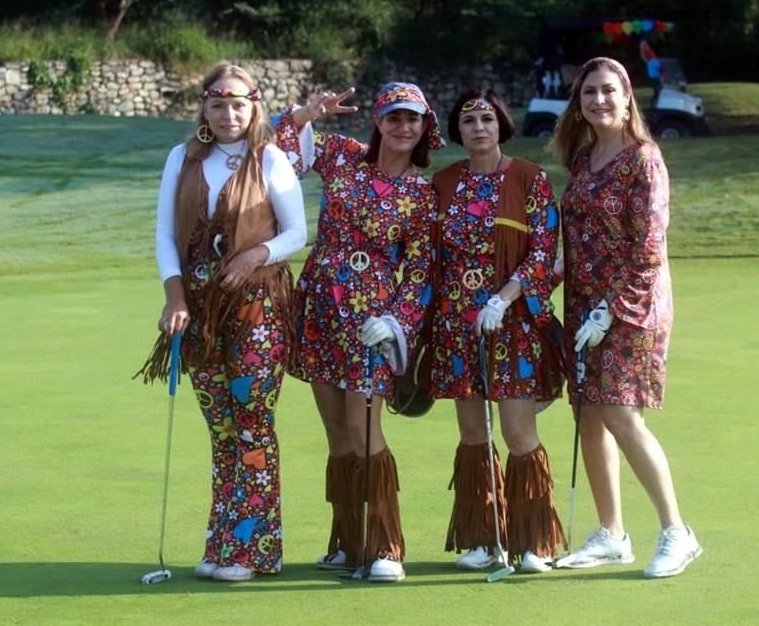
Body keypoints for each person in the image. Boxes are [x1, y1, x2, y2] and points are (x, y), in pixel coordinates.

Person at [138, 64, 306, 582]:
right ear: (204, 109)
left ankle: (256, 550)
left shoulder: (271, 157)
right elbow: (165, 234)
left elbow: (297, 232)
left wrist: (255, 253)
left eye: (238, 104)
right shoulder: (182, 158)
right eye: (218, 104)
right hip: (200, 314)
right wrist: (174, 296)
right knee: (222, 429)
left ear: (254, 106)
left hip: (258, 307)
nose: (229, 114)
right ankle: (224, 543)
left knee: (252, 422)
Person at [273, 82, 444, 583]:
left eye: (412, 119)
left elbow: (420, 273)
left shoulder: (420, 194)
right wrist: (302, 116)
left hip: (372, 324)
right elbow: (284, 163)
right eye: (393, 117)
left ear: (424, 127)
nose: (402, 127)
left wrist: (396, 323)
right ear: (378, 121)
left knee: (364, 428)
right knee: (336, 431)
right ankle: (348, 543)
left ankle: (386, 545)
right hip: (321, 311)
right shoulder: (344, 156)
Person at [551, 57, 702, 578]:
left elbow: (649, 249)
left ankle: (676, 532)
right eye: (589, 92)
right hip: (583, 303)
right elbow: (573, 238)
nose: (599, 100)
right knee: (588, 414)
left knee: (618, 411)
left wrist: (611, 310)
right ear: (579, 103)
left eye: (609, 91)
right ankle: (612, 533)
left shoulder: (644, 160)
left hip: (633, 306)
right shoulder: (583, 158)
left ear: (627, 97)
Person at [429, 89, 565, 574]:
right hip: (456, 326)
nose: (478, 128)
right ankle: (484, 538)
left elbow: (543, 251)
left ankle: (534, 541)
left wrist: (503, 298)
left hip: (513, 323)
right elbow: (428, 256)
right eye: (469, 122)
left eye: (487, 119)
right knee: (472, 432)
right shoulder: (443, 182)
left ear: (501, 124)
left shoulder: (529, 178)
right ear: (458, 131)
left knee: (516, 430)